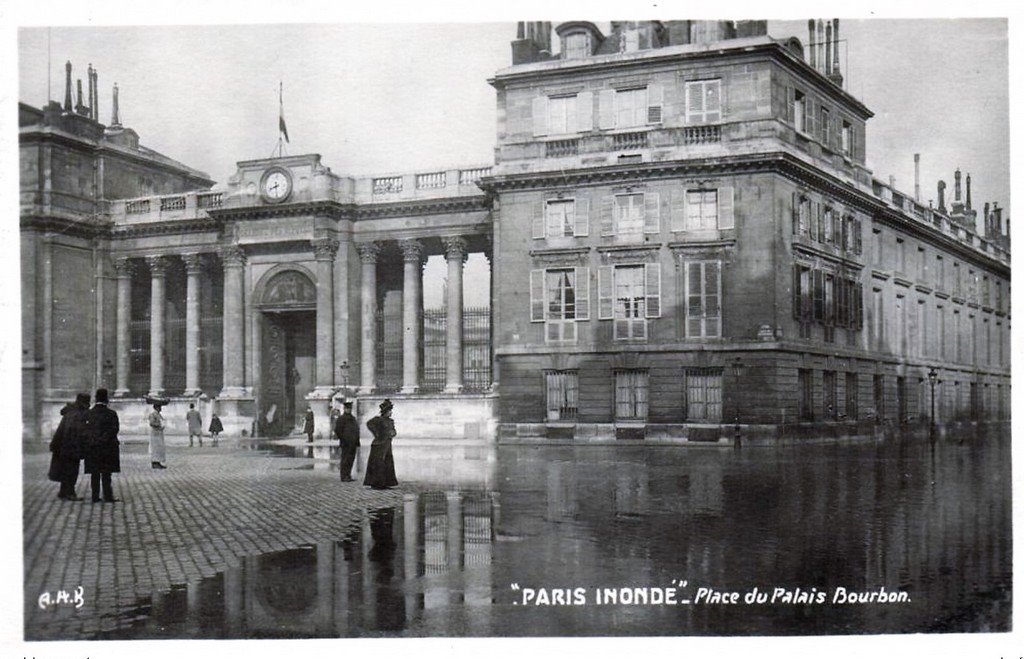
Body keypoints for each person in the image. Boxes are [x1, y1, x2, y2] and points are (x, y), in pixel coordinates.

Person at [48, 393, 90, 501]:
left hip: (62, 446)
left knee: (65, 468)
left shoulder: (70, 411)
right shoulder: (78, 414)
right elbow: (78, 432)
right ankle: (70, 493)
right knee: (72, 470)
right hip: (71, 446)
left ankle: (63, 491)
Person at [84, 388, 121, 503]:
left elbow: (85, 430)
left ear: (96, 399)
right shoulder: (112, 413)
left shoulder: (89, 413)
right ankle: (108, 496)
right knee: (106, 473)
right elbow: (114, 429)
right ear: (106, 399)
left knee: (94, 474)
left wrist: (95, 440)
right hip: (107, 447)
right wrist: (103, 439)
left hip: (92, 447)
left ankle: (95, 496)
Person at [363, 399, 398, 489]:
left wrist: (393, 433)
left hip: (387, 444)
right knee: (378, 463)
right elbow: (369, 424)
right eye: (390, 411)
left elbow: (393, 430)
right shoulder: (378, 419)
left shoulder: (391, 421)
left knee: (387, 462)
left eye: (391, 411)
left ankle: (386, 482)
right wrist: (377, 434)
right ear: (385, 412)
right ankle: (377, 483)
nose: (391, 413)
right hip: (378, 445)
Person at [335, 400, 360, 482]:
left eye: (350, 408)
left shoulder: (353, 418)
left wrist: (357, 441)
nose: (349, 410)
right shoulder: (341, 419)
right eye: (347, 408)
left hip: (353, 443)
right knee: (345, 459)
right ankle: (344, 476)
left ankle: (348, 475)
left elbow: (356, 430)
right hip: (346, 443)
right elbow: (338, 430)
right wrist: (343, 439)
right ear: (344, 409)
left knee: (351, 459)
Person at [148, 401, 167, 469]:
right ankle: (155, 462)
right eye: (159, 407)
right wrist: (159, 425)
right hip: (155, 433)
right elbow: (151, 423)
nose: (160, 408)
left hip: (159, 433)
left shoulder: (159, 415)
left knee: (159, 448)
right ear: (156, 407)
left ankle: (158, 462)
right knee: (155, 448)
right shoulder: (153, 414)